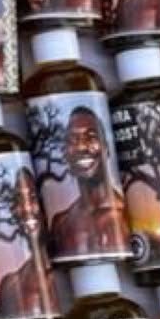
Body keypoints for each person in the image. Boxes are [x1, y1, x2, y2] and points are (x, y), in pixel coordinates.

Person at [45, 105, 127, 261]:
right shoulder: (61, 224)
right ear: (66, 153)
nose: (81, 147)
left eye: (91, 137)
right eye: (73, 140)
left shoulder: (125, 216)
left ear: (106, 148)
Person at [0, 168, 55, 319]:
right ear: (13, 210)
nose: (26, 208)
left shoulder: (66, 268)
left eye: (32, 198)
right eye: (18, 200)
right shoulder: (10, 284)